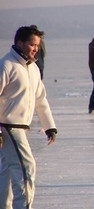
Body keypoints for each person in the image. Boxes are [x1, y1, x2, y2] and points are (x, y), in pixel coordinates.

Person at [0, 26, 57, 209]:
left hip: (20, 126)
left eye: (37, 45)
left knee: (7, 171)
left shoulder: (32, 69)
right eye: (32, 44)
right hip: (8, 126)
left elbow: (40, 98)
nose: (35, 49)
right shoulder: (7, 65)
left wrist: (49, 126)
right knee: (27, 168)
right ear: (19, 43)